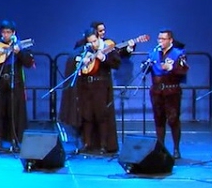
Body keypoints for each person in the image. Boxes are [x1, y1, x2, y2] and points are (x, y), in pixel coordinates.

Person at [76, 23, 135, 154]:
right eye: (90, 42)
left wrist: (103, 58)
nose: (93, 44)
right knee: (87, 115)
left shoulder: (108, 47)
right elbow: (75, 59)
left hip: (101, 86)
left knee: (101, 115)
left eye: (95, 41)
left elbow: (116, 64)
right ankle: (87, 144)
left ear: (99, 37)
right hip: (86, 86)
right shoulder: (86, 49)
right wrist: (81, 61)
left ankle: (104, 145)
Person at [0, 20, 35, 151]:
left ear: (13, 33)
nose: (6, 35)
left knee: (15, 112)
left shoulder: (20, 46)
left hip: (16, 83)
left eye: (8, 32)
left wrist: (19, 53)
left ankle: (15, 140)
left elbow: (29, 62)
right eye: (3, 32)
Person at [146, 29, 189, 158]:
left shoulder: (178, 53)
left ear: (170, 40)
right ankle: (160, 148)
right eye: (159, 39)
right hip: (157, 91)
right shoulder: (153, 53)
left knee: (173, 119)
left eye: (163, 39)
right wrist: (145, 65)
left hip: (172, 91)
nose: (160, 41)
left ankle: (176, 149)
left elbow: (183, 70)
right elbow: (146, 69)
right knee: (159, 120)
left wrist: (172, 68)